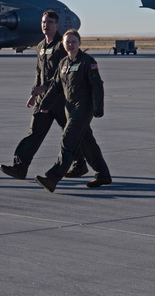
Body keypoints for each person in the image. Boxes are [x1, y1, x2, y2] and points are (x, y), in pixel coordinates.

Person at [0, 10, 87, 180]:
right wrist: (34, 93)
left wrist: (45, 87)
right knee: (35, 133)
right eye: (43, 22)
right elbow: (39, 73)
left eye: (49, 22)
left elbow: (61, 74)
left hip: (61, 99)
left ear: (57, 25)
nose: (45, 25)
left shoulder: (62, 46)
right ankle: (20, 167)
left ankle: (80, 164)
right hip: (43, 100)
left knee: (70, 134)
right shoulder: (41, 46)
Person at [35, 29, 111, 192]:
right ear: (63, 44)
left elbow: (97, 86)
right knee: (87, 143)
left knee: (67, 141)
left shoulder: (87, 62)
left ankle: (52, 177)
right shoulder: (63, 63)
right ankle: (103, 174)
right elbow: (55, 86)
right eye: (67, 42)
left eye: (73, 42)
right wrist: (45, 105)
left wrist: (98, 108)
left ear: (79, 44)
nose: (70, 44)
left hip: (83, 109)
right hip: (69, 108)